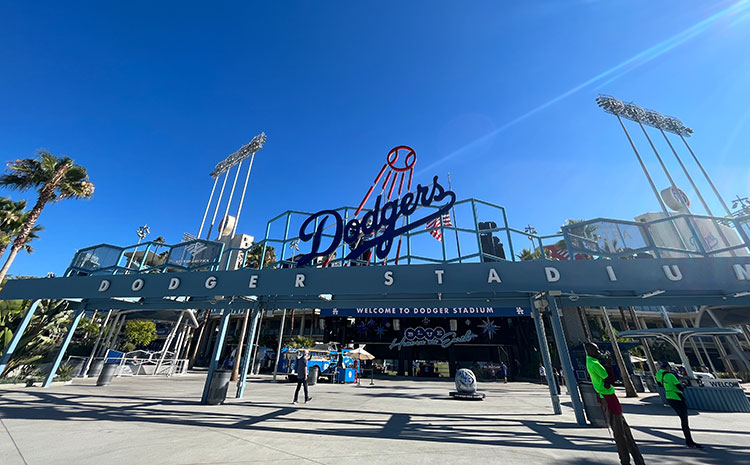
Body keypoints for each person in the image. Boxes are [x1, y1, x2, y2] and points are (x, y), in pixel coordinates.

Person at [585, 342, 645, 465]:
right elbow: (610, 379)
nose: (598, 352)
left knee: (624, 429)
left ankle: (638, 459)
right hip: (608, 398)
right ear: (590, 351)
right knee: (619, 432)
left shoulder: (590, 362)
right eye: (596, 350)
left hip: (607, 397)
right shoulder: (595, 364)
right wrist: (608, 363)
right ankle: (625, 460)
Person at [656, 361, 702, 449]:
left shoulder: (658, 374)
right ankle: (689, 440)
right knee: (684, 420)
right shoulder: (670, 375)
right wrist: (683, 385)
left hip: (669, 396)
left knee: (683, 418)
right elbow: (679, 387)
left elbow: (660, 384)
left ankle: (689, 440)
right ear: (667, 367)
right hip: (677, 397)